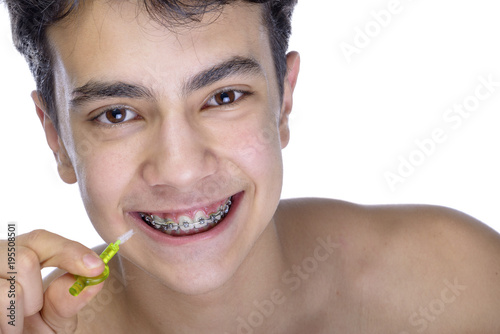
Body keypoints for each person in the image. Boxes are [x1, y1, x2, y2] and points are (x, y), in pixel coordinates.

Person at [1, 0, 499, 333]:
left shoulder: (462, 283)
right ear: (56, 139)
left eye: (223, 97)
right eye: (117, 114)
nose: (179, 169)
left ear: (283, 102)